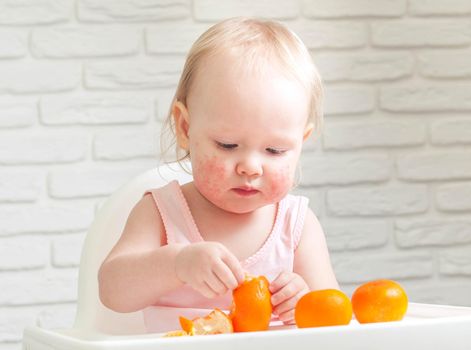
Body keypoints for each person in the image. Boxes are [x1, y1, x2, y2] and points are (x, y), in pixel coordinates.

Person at [98, 17, 339, 333]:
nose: (250, 167)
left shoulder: (296, 225)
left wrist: (304, 300)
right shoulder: (160, 212)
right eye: (228, 145)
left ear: (300, 144)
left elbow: (335, 318)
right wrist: (176, 263)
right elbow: (112, 291)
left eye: (275, 151)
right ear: (186, 128)